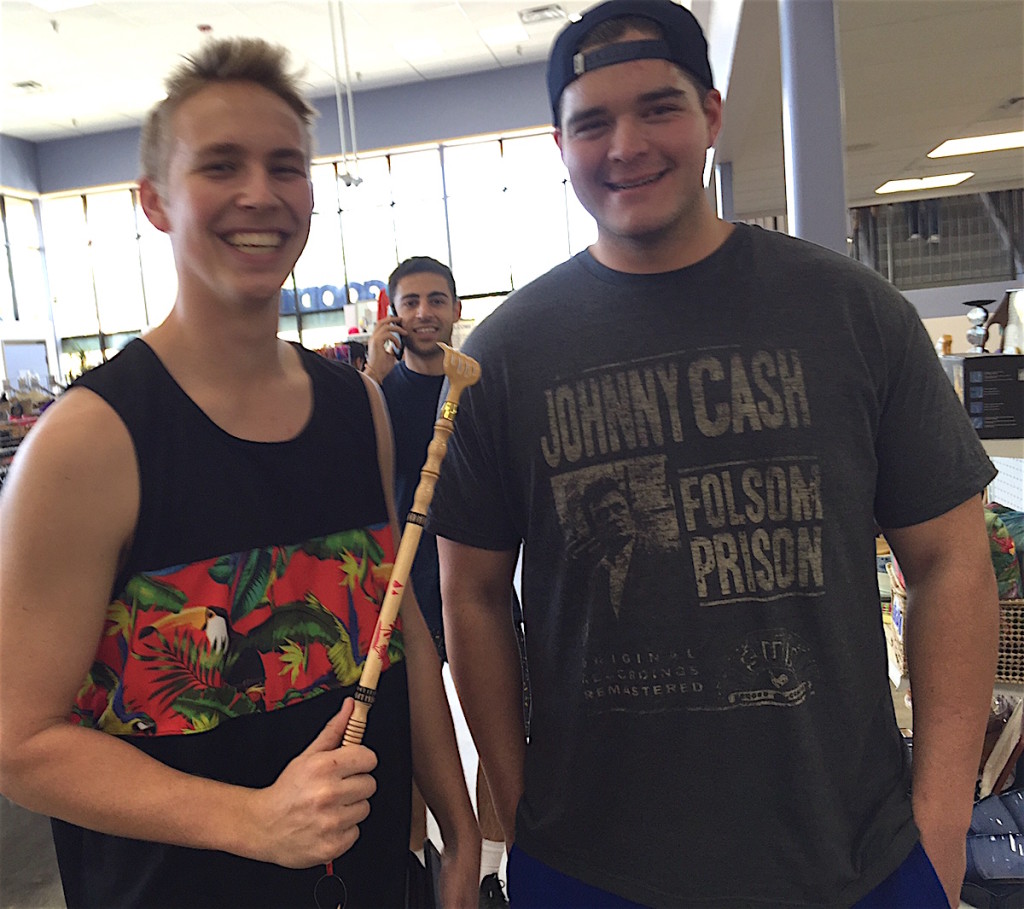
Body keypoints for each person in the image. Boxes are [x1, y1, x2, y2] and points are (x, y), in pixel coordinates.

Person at [427, 1, 1000, 906]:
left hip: (851, 859)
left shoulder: (852, 315)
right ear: (559, 143)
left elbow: (952, 562)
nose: (626, 146)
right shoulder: (505, 356)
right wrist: (520, 798)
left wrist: (941, 820)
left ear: (712, 114)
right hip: (591, 865)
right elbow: (471, 592)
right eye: (593, 123)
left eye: (658, 107)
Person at [0, 37, 479, 908]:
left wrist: (459, 828)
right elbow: (19, 741)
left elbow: (396, 622)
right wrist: (252, 820)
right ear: (155, 201)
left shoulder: (354, 408)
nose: (260, 193)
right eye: (221, 165)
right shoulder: (89, 442)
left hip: (373, 883)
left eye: (285, 166)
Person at [365, 256, 510, 908]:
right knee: (414, 740)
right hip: (406, 592)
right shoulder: (379, 395)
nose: (425, 312)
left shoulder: (477, 389)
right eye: (412, 301)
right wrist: (371, 371)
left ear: (455, 307)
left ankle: (494, 864)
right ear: (395, 313)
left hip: (479, 585)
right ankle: (420, 862)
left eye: (437, 299)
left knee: (494, 723)